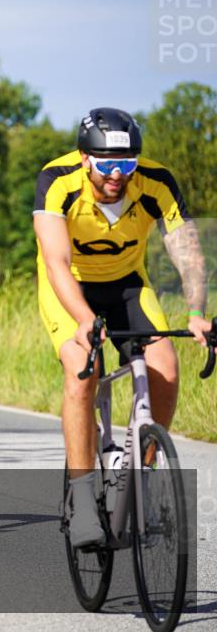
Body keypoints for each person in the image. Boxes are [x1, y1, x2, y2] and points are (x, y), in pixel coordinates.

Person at [33, 107, 212, 547]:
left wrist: (196, 313)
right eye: (107, 165)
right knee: (83, 370)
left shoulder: (156, 182)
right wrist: (84, 320)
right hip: (70, 286)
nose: (118, 175)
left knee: (165, 367)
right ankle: (81, 498)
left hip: (128, 285)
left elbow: (187, 253)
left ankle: (136, 476)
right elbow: (56, 262)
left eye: (127, 163)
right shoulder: (57, 180)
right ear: (84, 158)